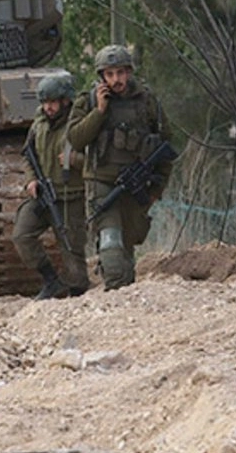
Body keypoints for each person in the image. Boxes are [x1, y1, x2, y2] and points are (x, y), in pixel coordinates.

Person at [67, 45, 173, 290]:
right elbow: (75, 139)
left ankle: (126, 297)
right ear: (102, 76)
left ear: (129, 72)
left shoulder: (146, 100)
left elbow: (165, 145)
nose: (116, 80)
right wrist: (99, 112)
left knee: (127, 245)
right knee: (111, 243)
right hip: (102, 183)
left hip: (137, 185)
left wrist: (157, 188)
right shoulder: (89, 101)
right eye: (110, 74)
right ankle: (116, 287)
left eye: (121, 73)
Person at [12, 73, 90, 299]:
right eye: (45, 102)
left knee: (72, 251)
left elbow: (97, 162)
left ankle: (77, 295)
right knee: (21, 235)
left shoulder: (78, 125)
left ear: (65, 100)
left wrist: (74, 160)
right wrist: (30, 179)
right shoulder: (39, 124)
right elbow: (27, 155)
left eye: (53, 102)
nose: (49, 107)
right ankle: (51, 280)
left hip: (70, 196)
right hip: (42, 193)